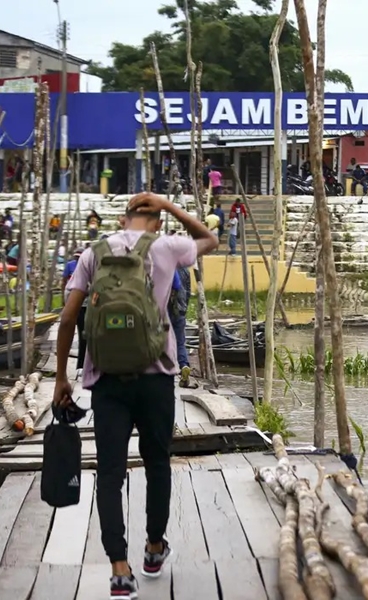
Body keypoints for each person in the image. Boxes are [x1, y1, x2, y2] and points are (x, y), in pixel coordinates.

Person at [54, 192, 218, 599]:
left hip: (106, 379)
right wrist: (169, 205)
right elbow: (210, 240)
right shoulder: (166, 247)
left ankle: (119, 569)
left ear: (122, 219)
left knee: (110, 473)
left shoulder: (93, 253)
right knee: (157, 463)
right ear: (157, 223)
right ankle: (154, 548)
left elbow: (69, 317)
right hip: (156, 378)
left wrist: (61, 379)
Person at [167, 231, 192, 387]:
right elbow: (188, 291)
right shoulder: (185, 270)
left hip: (167, 310)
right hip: (181, 310)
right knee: (180, 342)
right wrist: (184, 308)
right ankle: (184, 365)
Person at [62, 247, 88, 377]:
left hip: (89, 305)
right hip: (78, 306)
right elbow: (64, 283)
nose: (78, 259)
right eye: (76, 257)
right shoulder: (70, 266)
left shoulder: (89, 266)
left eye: (79, 257)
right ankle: (81, 365)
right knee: (82, 334)